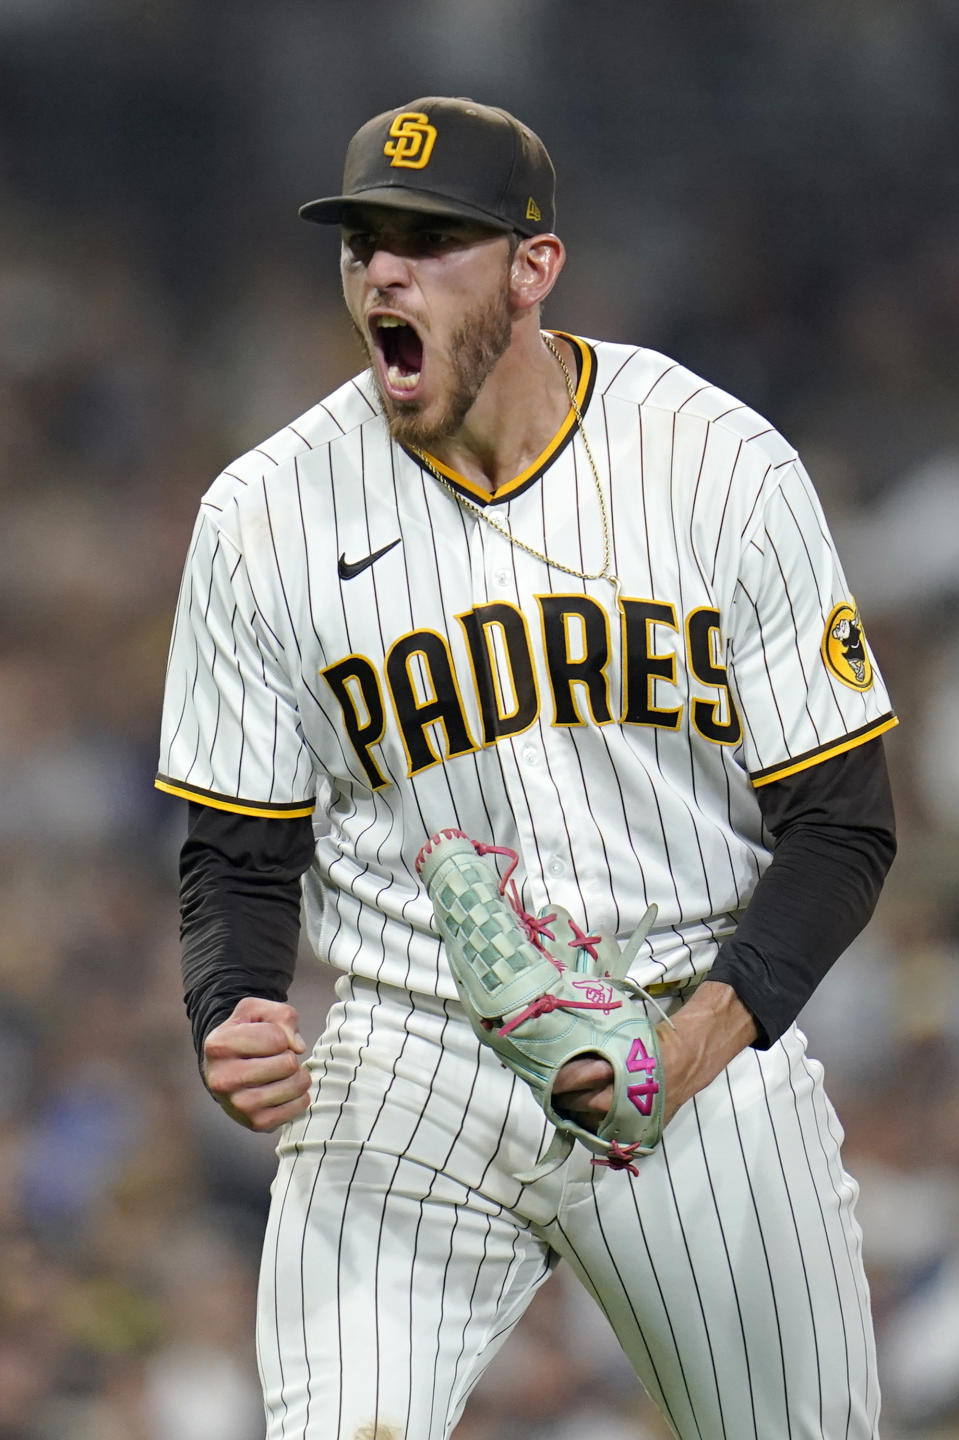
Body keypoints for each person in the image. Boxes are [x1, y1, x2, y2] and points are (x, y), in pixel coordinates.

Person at [157, 97, 898, 1440]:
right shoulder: (264, 516)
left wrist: (695, 1045)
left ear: (532, 266)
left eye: (432, 239)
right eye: (365, 242)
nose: (385, 270)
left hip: (687, 1021)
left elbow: (843, 828)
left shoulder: (715, 466)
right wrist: (237, 1003)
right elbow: (237, 847)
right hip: (408, 1048)